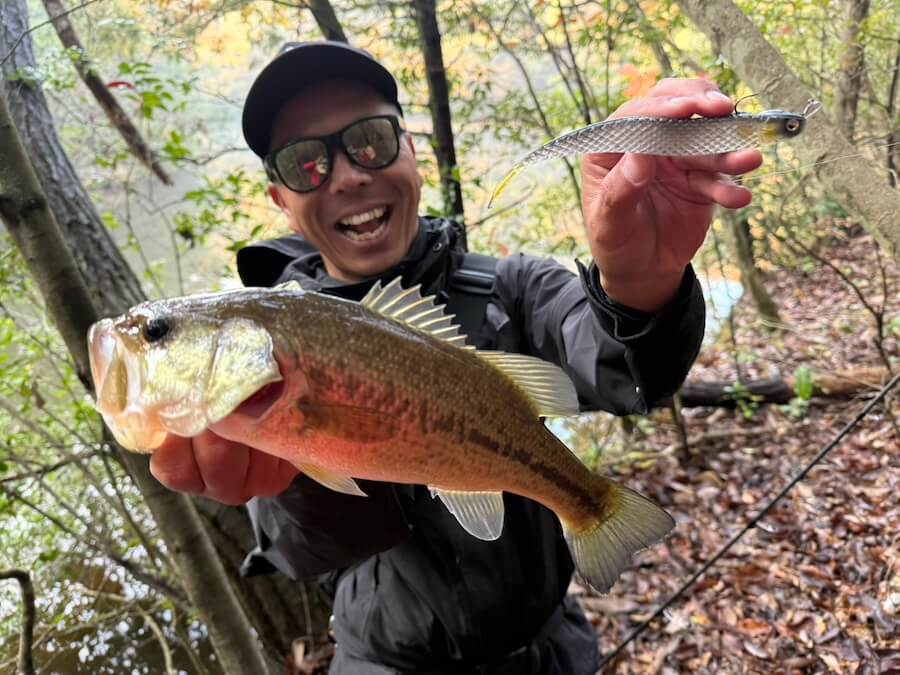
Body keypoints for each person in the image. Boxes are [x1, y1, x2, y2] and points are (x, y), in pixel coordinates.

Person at [150, 41, 763, 674]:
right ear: (279, 197)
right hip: (384, 661)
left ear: (410, 149)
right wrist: (295, 475)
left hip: (551, 650)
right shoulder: (268, 347)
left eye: (369, 140)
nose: (348, 175)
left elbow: (622, 369)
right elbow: (303, 551)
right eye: (304, 163)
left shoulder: (514, 289)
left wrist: (640, 285)